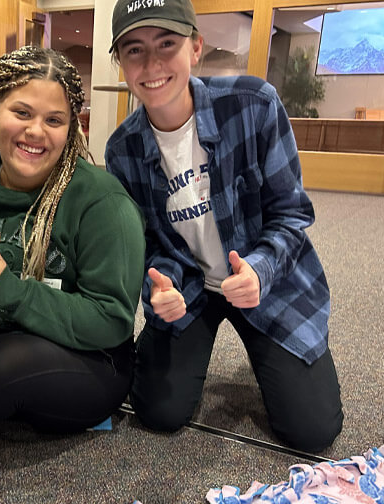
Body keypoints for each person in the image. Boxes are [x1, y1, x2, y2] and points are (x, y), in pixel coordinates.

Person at [104, 0, 343, 452]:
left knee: (311, 431)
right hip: (192, 287)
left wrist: (259, 269)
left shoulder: (254, 104)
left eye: (166, 44)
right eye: (134, 50)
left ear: (195, 47)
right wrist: (161, 288)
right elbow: (149, 244)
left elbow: (292, 214)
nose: (151, 64)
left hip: (268, 283)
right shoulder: (122, 151)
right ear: (121, 63)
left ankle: (270, 353)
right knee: (159, 412)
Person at [0, 46, 145, 433]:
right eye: (22, 113)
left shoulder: (102, 201)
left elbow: (111, 320)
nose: (35, 131)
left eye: (54, 120)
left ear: (71, 127)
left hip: (92, 358)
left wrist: (12, 293)